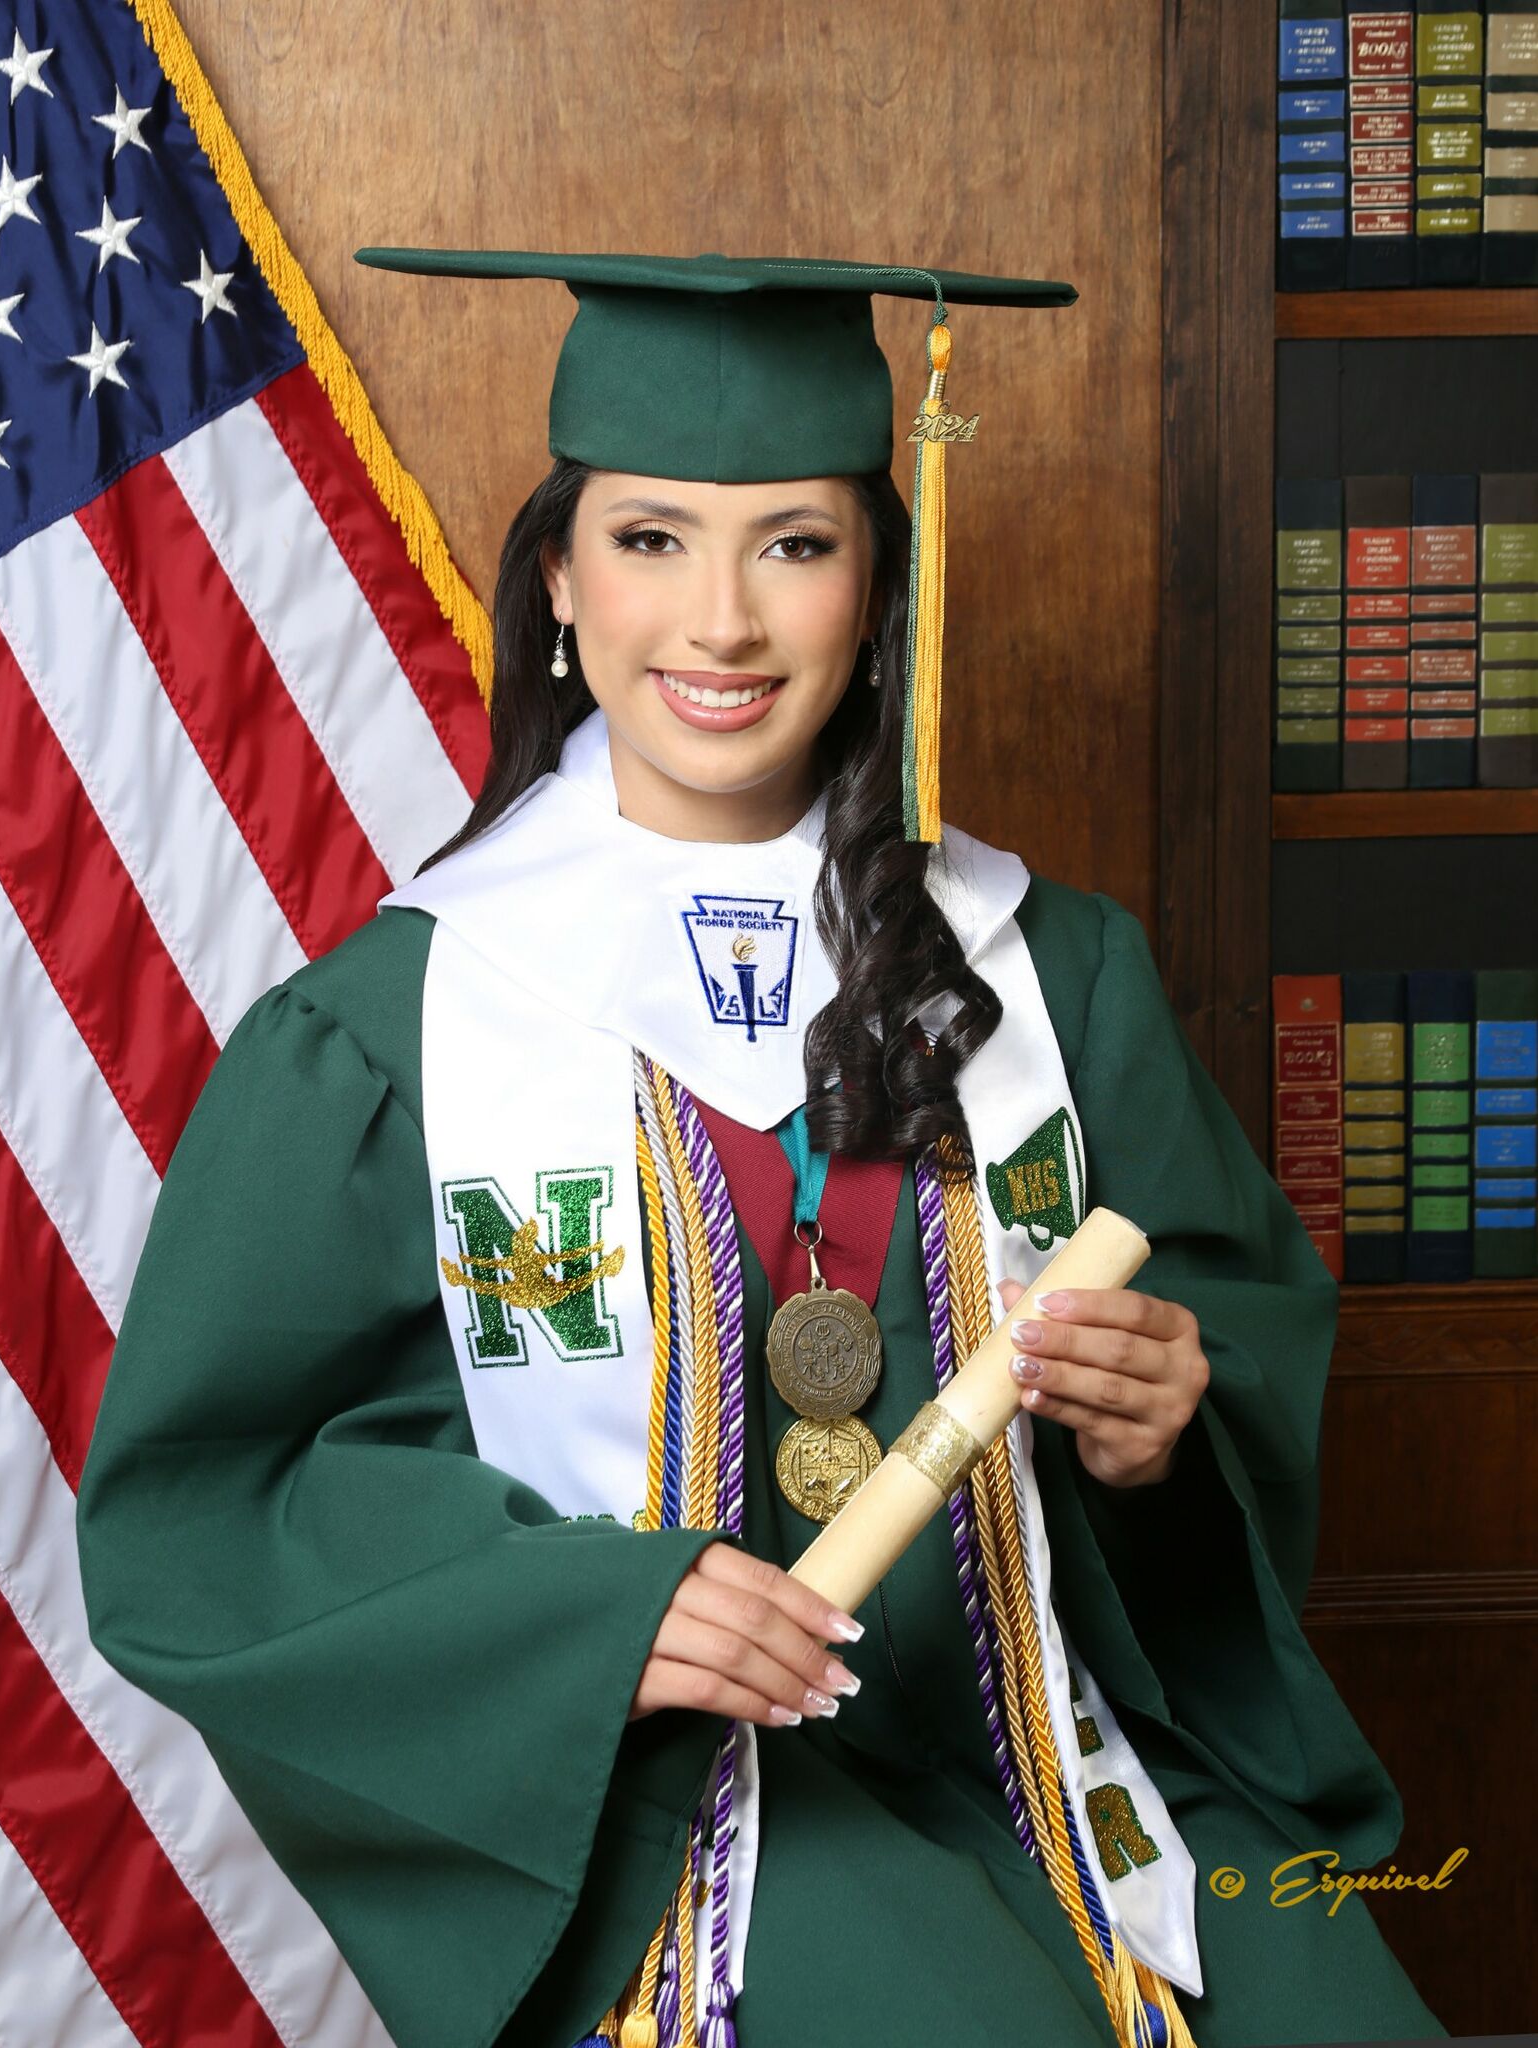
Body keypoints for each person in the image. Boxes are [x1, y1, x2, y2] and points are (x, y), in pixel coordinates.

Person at [74, 252, 1448, 2048]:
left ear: (878, 587)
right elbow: (216, 1497)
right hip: (678, 1792)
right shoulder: (401, 1024)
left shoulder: (1046, 971)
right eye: (649, 540)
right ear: (556, 578)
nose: (717, 622)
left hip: (1064, 1713)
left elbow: (1228, 1315)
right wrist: (587, 1616)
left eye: (793, 544)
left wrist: (1166, 1417)